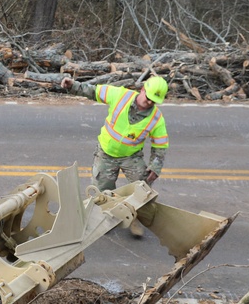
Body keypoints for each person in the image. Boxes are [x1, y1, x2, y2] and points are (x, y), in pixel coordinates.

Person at [60, 74, 169, 238]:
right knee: (102, 192)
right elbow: (93, 91)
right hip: (106, 153)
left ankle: (136, 217)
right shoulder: (120, 95)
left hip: (131, 156)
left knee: (143, 188)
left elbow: (160, 145)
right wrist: (72, 85)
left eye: (154, 101)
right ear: (142, 90)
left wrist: (155, 166)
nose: (150, 103)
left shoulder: (156, 119)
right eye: (148, 98)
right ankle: (105, 218)